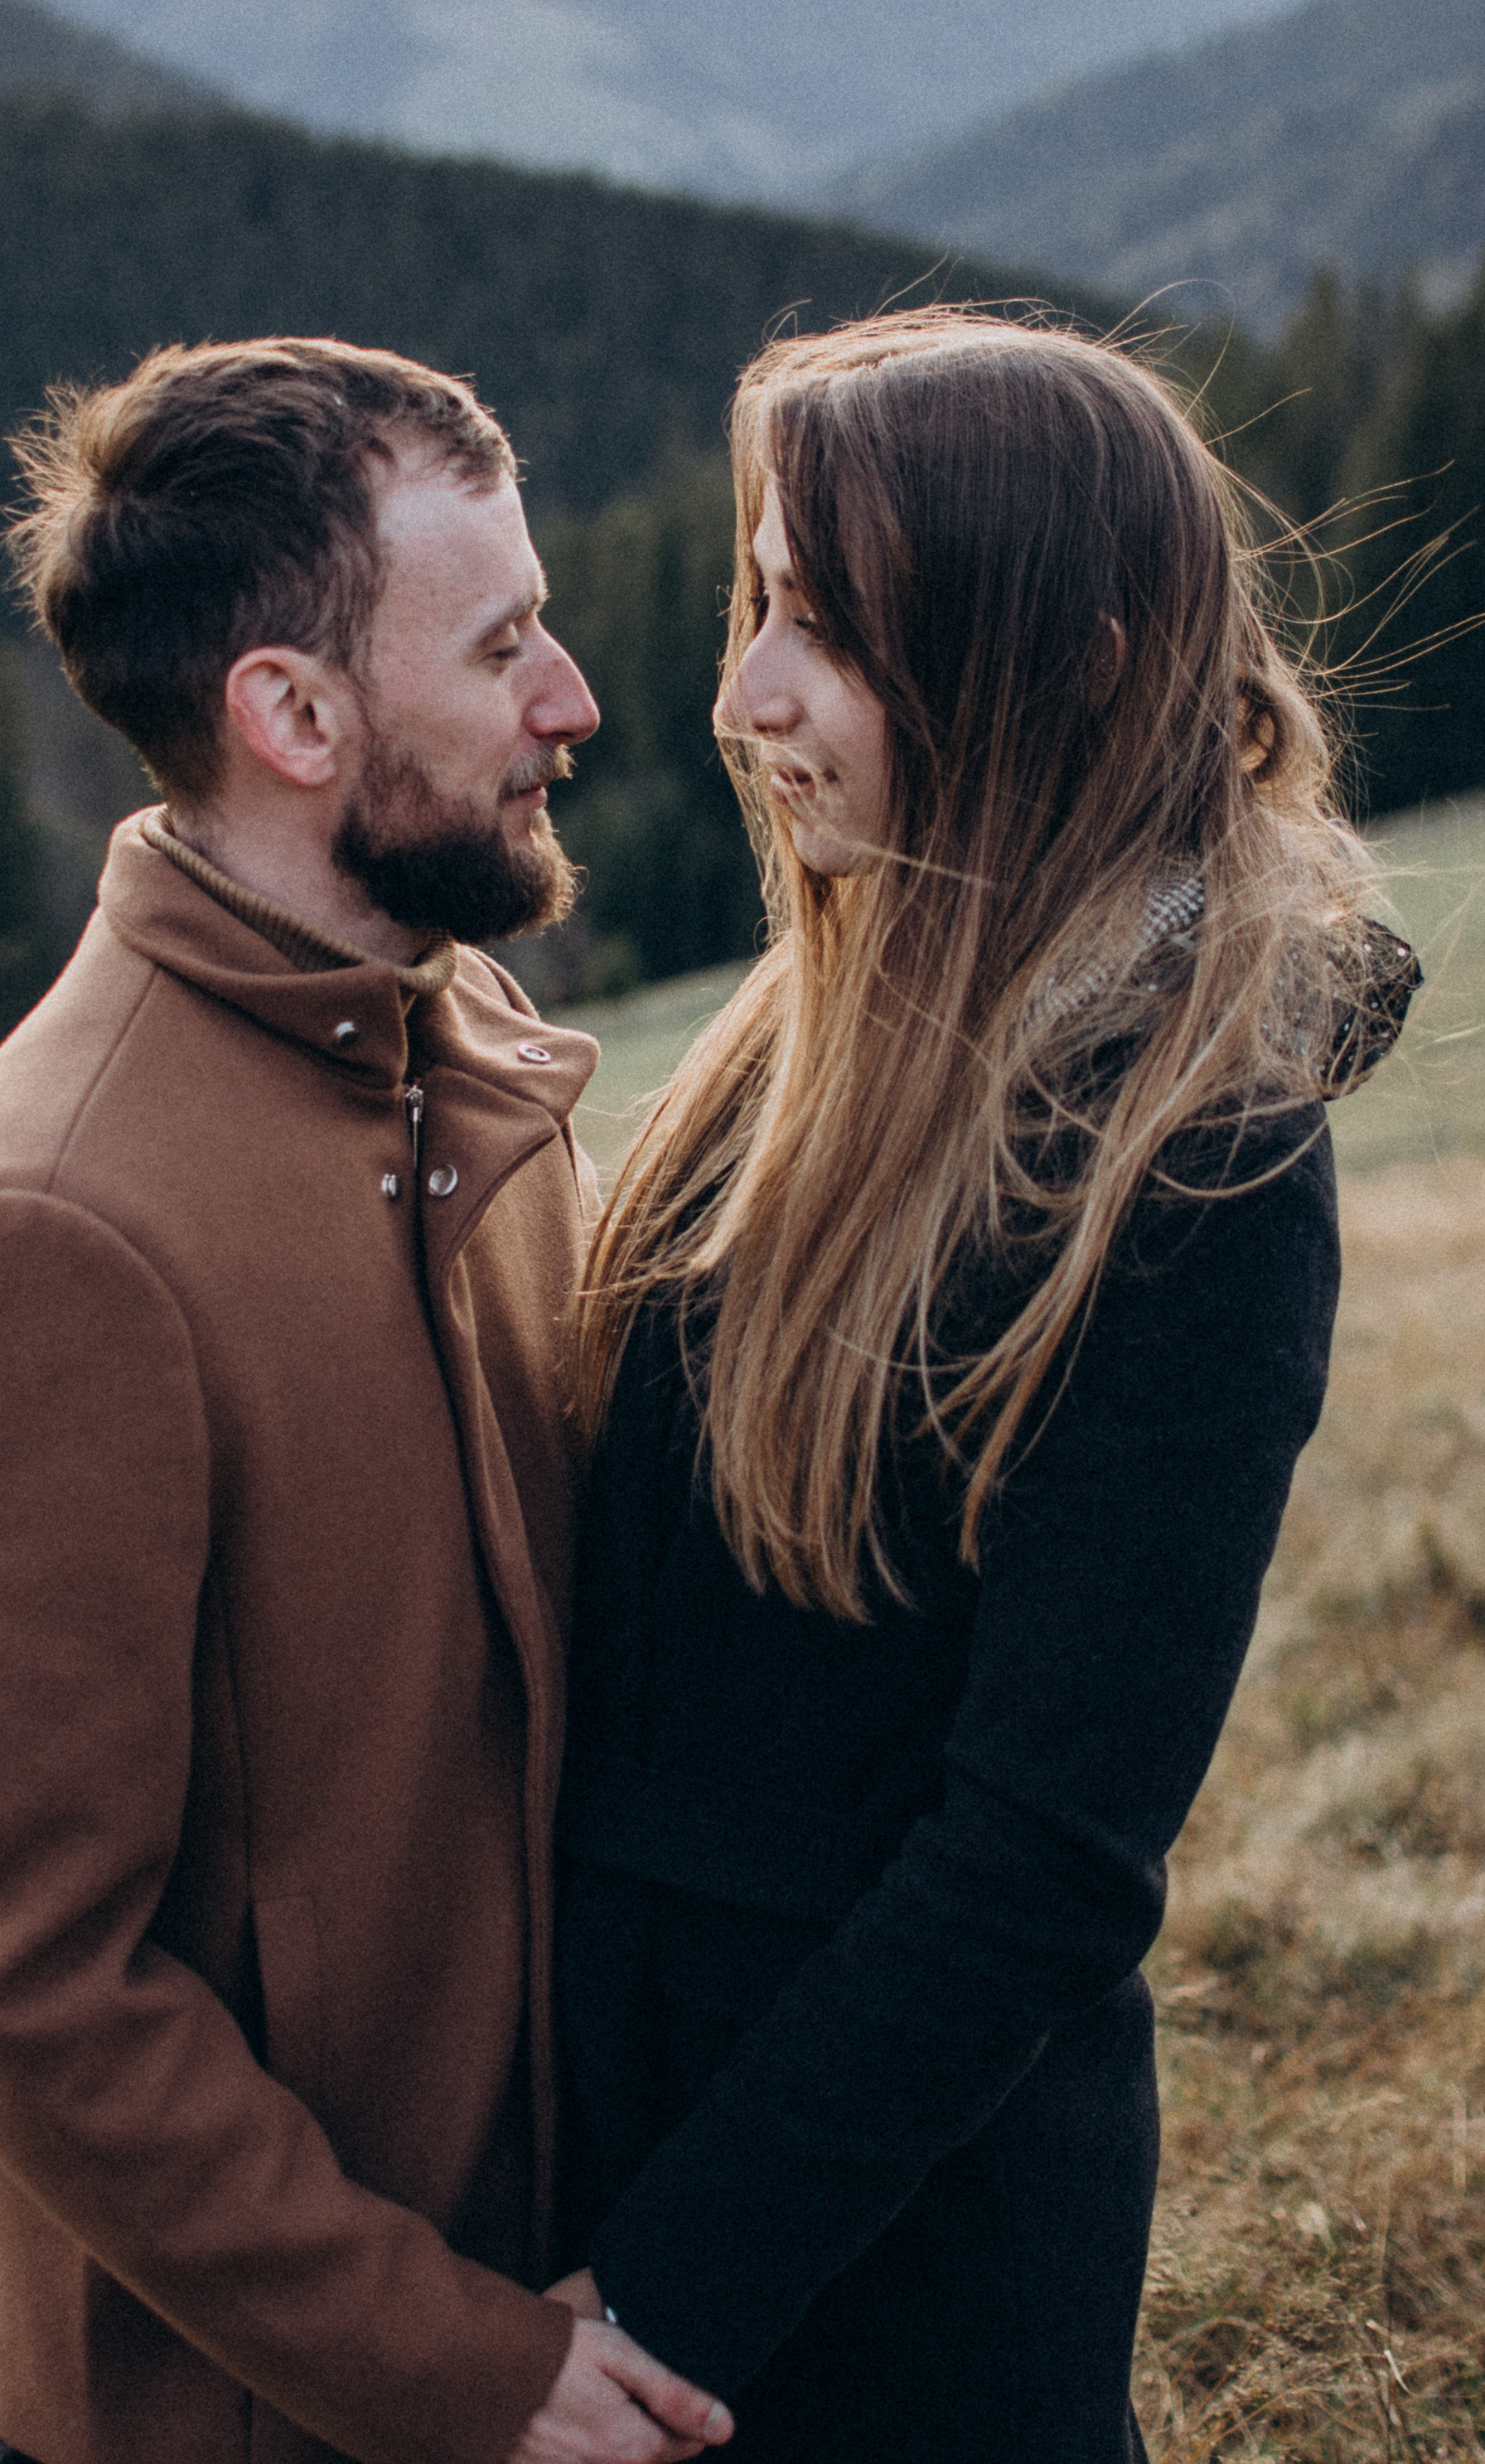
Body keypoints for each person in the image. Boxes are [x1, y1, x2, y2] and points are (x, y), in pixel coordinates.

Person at [0, 337, 732, 2464]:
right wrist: (448, 2366)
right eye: (504, 641)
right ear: (294, 715)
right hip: (240, 2417)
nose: (575, 698)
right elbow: (17, 1982)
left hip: (551, 2317)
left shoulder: (463, 1044)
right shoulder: (44, 1235)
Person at [549, 310, 1418, 2462]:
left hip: (882, 2280)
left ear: (1070, 662)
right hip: (620, 2132)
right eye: (756, 600)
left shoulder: (1196, 1161)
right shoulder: (834, 1002)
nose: (746, 688)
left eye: (825, 631)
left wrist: (655, 2303)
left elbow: (1034, 1860)